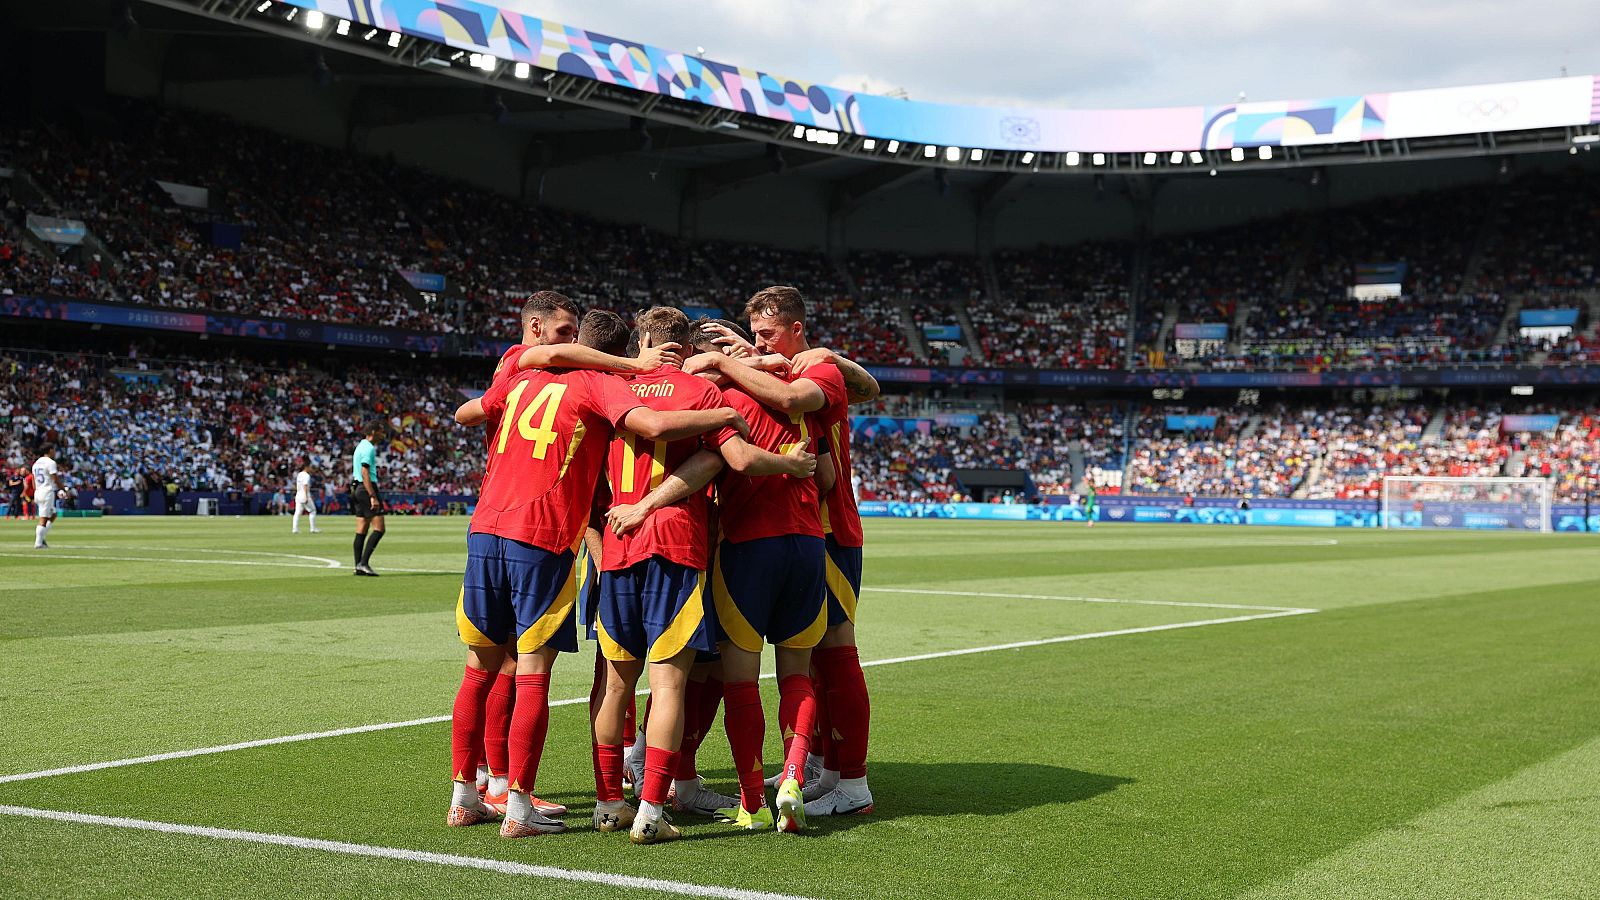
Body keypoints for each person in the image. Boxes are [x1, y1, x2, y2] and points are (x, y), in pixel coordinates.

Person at [445, 299, 748, 839]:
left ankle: (473, 792)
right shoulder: (606, 385)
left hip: (500, 529)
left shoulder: (521, 370)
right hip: (582, 538)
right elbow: (674, 433)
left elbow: (467, 412)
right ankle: (540, 805)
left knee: (492, 669)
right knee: (622, 681)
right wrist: (727, 410)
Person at [586, 307, 816, 844]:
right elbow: (729, 460)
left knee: (617, 682)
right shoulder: (705, 395)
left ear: (643, 340)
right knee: (669, 683)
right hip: (677, 543)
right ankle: (650, 811)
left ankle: (605, 803)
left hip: (618, 544)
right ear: (686, 346)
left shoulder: (610, 385)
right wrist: (783, 458)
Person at [693, 285, 880, 819]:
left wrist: (726, 366)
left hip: (828, 530)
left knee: (837, 652)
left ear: (797, 330)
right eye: (752, 336)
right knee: (812, 659)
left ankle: (854, 782)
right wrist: (757, 361)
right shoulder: (783, 371)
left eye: (768, 335)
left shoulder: (815, 373)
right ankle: (821, 765)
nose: (758, 345)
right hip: (803, 531)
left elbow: (815, 406)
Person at [350, 425, 387, 575]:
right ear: (373, 432)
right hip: (366, 488)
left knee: (362, 528)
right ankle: (363, 563)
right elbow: (364, 471)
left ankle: (358, 566)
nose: (382, 434)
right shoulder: (368, 448)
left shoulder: (360, 446)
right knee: (379, 528)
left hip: (357, 488)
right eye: (380, 431)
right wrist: (372, 495)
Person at [31, 447, 59, 549]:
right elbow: (55, 479)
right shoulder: (50, 462)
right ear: (50, 450)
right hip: (47, 491)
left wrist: (36, 491)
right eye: (54, 450)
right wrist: (64, 489)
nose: (55, 452)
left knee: (53, 514)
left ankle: (41, 538)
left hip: (38, 491)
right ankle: (38, 543)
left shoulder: (36, 463)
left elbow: (33, 480)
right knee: (43, 518)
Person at [292, 458, 320, 534]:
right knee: (313, 510)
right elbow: (305, 485)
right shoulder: (306, 475)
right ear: (306, 467)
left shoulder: (299, 474)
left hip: (298, 494)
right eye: (310, 467)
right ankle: (313, 528)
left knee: (297, 512)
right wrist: (306, 496)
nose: (311, 468)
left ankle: (295, 529)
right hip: (304, 494)